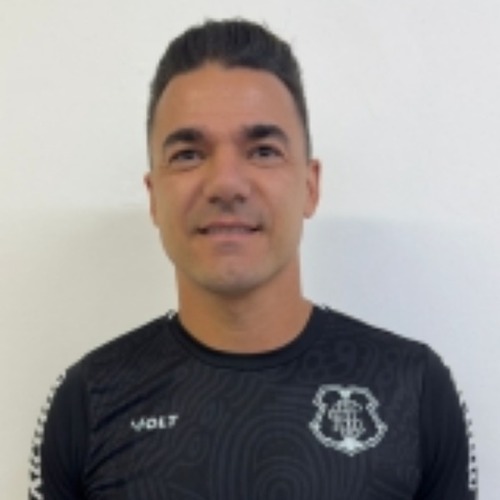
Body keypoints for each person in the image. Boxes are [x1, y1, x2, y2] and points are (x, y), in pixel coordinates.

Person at [29, 19, 477, 499]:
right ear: (154, 196)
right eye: (188, 154)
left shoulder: (413, 387)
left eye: (263, 151)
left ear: (310, 186)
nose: (226, 184)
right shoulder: (90, 400)